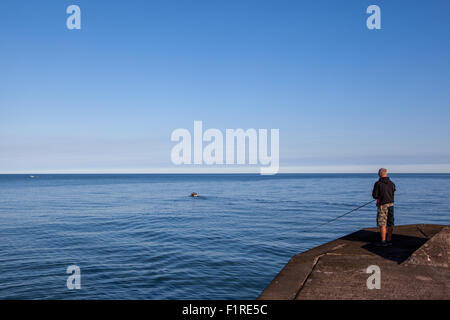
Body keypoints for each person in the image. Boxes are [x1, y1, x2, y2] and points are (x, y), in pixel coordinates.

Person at [372, 168, 396, 246]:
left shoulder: (378, 183)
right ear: (386, 173)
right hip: (391, 204)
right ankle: (389, 240)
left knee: (382, 223)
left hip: (383, 205)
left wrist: (379, 196)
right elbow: (393, 191)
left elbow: (375, 196)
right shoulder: (392, 183)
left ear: (380, 174)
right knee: (390, 222)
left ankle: (383, 241)